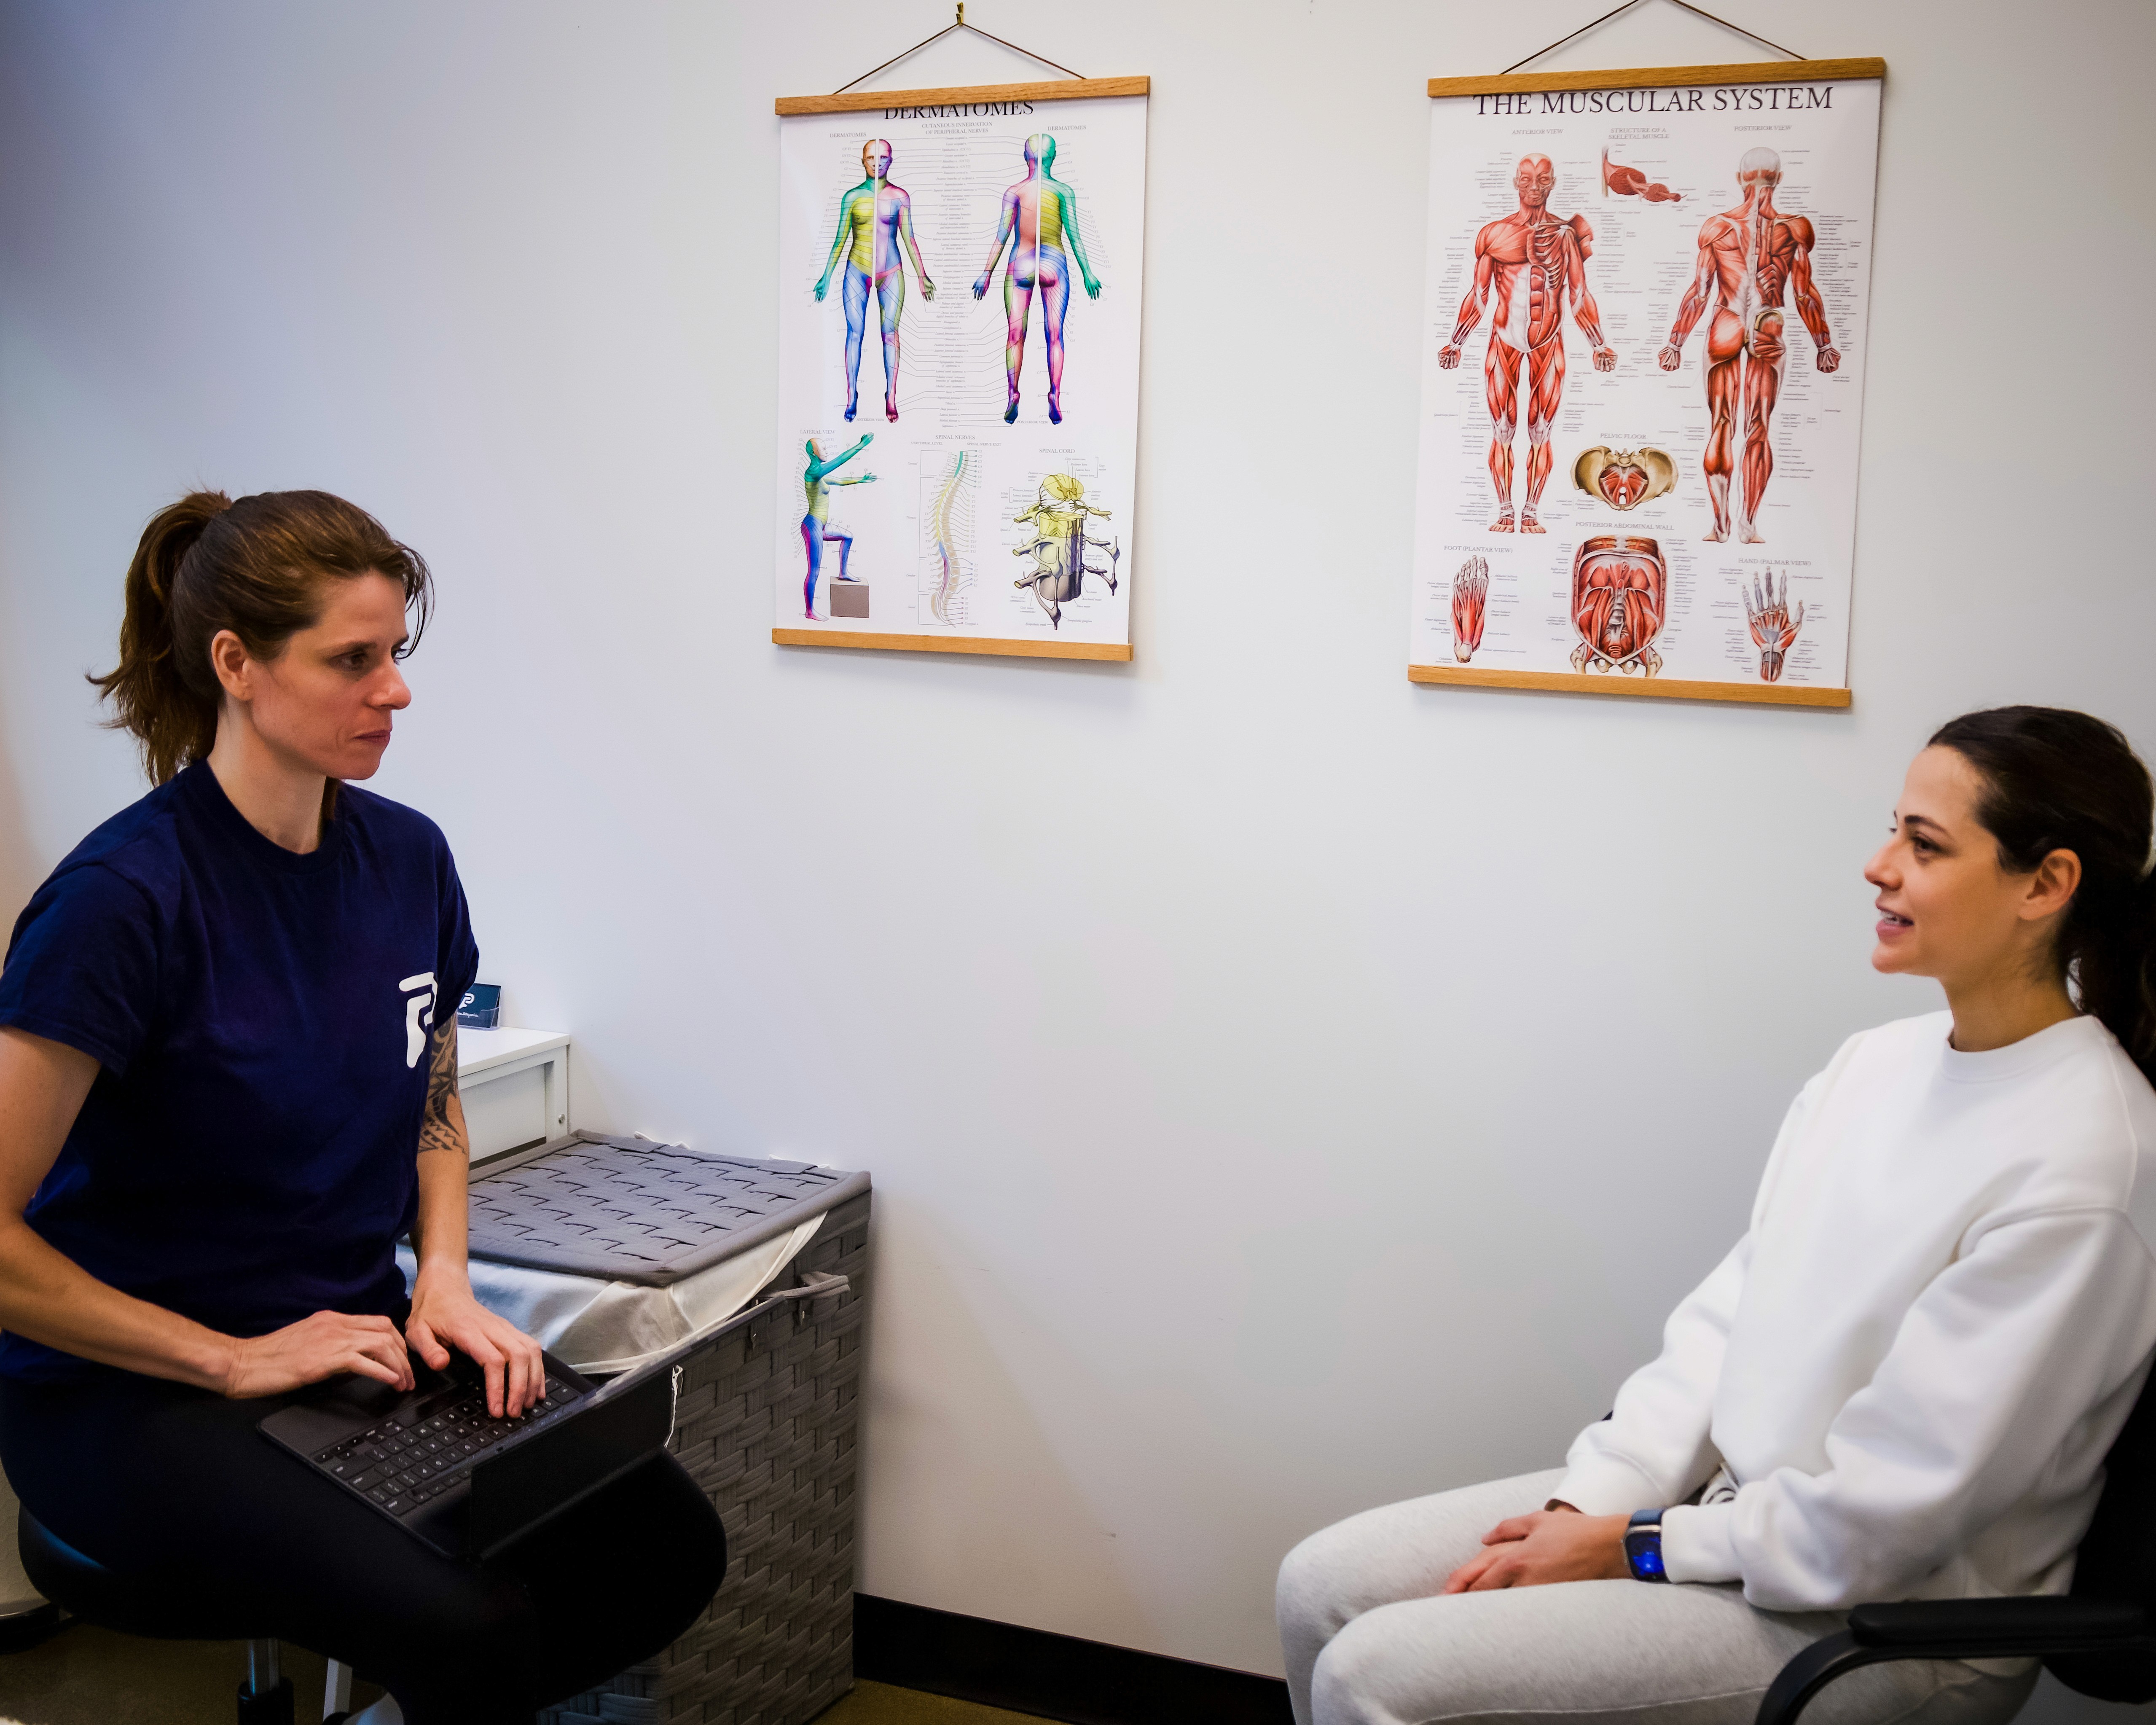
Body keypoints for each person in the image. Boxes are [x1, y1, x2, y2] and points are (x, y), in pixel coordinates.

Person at [0, 492, 725, 1725]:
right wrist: (232, 1356)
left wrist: (441, 1274)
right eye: (353, 659)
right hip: (128, 1388)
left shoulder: (407, 859)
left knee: (662, 1539)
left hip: (348, 1330)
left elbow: (429, 1083)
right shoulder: (123, 903)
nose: (393, 689)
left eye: (395, 652)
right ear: (236, 664)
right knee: (470, 1622)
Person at [1279, 706, 2156, 1725]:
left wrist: (1632, 1545)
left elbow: (1883, 1516)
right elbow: (1729, 1317)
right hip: (1724, 1526)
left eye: (1922, 845)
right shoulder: (1873, 1065)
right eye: (1892, 830)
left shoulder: (2087, 1161)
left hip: (1885, 1618)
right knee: (1319, 1585)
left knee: (1376, 1674)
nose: (1877, 866)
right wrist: (1596, 1495)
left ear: (2043, 884)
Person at [1658, 147, 1841, 544]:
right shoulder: (1794, 228)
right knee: (1759, 426)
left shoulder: (1718, 227)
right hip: (1768, 323)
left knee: (1721, 422)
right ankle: (1747, 524)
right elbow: (1804, 293)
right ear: (1778, 179)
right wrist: (1822, 345)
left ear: (1739, 178)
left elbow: (1699, 293)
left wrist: (1676, 341)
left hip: (1726, 320)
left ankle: (1720, 523)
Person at [1439, 155, 1617, 535]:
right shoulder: (1493, 235)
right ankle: (1505, 510)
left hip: (1547, 342)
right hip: (1503, 340)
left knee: (1540, 431)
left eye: (1542, 179)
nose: (1533, 186)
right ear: (1515, 182)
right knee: (1502, 429)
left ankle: (1532, 510)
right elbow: (1480, 293)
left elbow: (1578, 293)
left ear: (1552, 183)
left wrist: (1598, 343)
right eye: (1526, 178)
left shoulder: (1565, 236)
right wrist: (1456, 341)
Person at [972, 133, 1102, 426]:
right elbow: (1074, 235)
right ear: (1053, 158)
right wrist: (1087, 272)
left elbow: (1002, 236)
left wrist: (986, 272)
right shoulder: (1063, 191)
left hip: (1021, 262)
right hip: (1054, 262)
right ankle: (1054, 394)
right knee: (1054, 337)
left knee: (1015, 336)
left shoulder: (1015, 191)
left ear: (1025, 158)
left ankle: (1012, 394)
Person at [814, 138, 935, 425]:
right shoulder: (852, 197)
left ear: (891, 161)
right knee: (854, 333)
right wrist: (826, 276)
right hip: (858, 269)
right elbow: (840, 240)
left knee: (890, 334)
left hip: (891, 272)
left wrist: (922, 276)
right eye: (871, 158)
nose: (877, 163)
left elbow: (909, 238)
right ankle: (851, 394)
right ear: (863, 161)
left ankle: (891, 395)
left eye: (883, 158)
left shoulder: (900, 196)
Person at [800, 433, 877, 618]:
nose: (827, 451)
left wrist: (861, 479)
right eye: (823, 449)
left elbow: (840, 481)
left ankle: (843, 572)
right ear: (813, 453)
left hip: (821, 526)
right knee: (815, 570)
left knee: (848, 537)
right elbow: (840, 460)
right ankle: (810, 611)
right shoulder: (814, 473)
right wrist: (861, 445)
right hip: (812, 525)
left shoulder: (821, 475)